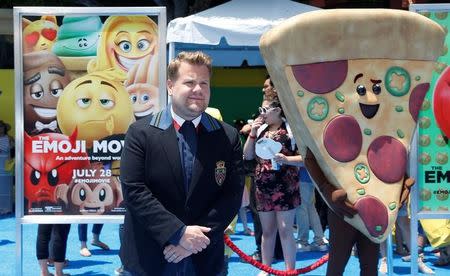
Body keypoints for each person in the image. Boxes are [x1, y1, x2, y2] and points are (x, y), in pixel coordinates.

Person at [119, 51, 244, 276]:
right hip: (150, 257)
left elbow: (232, 194)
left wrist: (195, 241)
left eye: (204, 83)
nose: (198, 89)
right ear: (170, 86)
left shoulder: (228, 136)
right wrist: (177, 233)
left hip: (204, 258)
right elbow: (134, 191)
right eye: (189, 82)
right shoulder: (140, 133)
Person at [243, 100, 302, 275]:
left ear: (277, 110)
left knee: (285, 230)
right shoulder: (260, 130)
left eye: (265, 110)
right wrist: (252, 133)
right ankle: (265, 269)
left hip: (286, 187)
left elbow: (306, 159)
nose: (261, 113)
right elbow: (247, 155)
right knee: (267, 231)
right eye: (260, 109)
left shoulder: (291, 131)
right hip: (263, 186)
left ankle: (290, 270)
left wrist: (286, 159)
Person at [295, 167, 328, 252]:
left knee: (302, 209)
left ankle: (303, 242)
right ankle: (319, 241)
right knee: (311, 208)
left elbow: (302, 159)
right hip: (311, 176)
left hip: (302, 177)